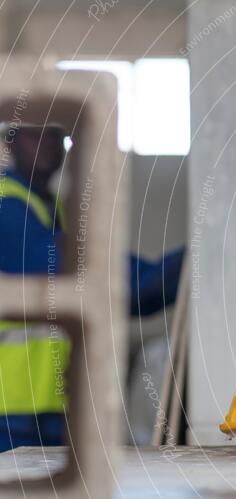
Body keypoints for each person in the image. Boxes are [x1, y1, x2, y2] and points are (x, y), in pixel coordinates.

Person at [0, 123, 183, 451]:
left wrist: (175, 275)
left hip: (50, 407)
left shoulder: (51, 209)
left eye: (55, 134)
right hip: (11, 413)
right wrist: (174, 270)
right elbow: (85, 271)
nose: (48, 143)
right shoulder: (7, 206)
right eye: (34, 133)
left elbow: (117, 290)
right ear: (10, 143)